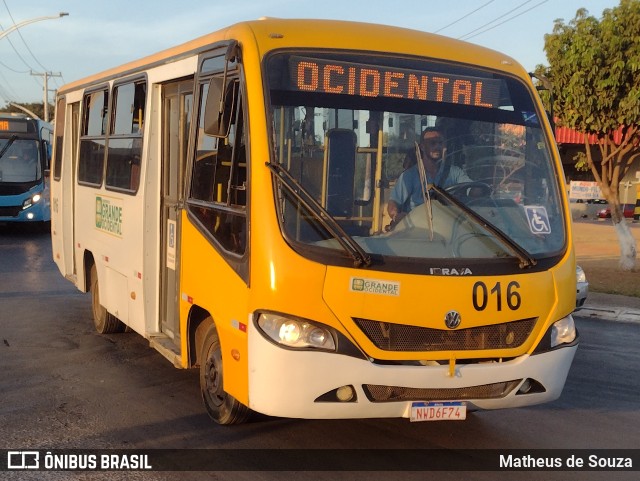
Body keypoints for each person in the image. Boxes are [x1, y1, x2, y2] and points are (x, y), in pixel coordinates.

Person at [387, 128, 471, 226]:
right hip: (418, 229)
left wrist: (480, 190)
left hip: (449, 228)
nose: (437, 146)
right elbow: (393, 203)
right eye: (432, 143)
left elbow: (471, 188)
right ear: (422, 147)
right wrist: (396, 216)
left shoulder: (455, 173)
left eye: (440, 143)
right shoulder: (409, 176)